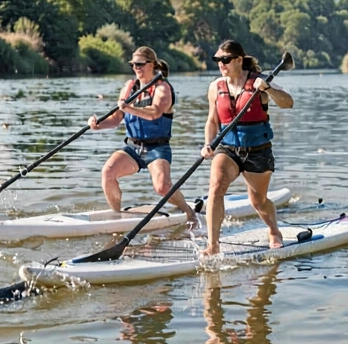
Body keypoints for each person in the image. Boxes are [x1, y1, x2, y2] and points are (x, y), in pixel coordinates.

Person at [200, 40, 293, 255]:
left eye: (225, 59)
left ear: (239, 60)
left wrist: (268, 88)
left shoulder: (259, 82)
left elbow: (288, 102)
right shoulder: (215, 87)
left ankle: (274, 232)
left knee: (258, 201)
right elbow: (212, 121)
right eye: (217, 60)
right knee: (215, 187)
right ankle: (213, 245)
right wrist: (208, 144)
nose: (221, 64)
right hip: (228, 149)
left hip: (257, 150)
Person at [89, 46, 198, 223]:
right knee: (108, 172)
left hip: (157, 148)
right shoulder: (129, 87)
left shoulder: (163, 88)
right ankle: (117, 217)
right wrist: (97, 125)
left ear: (152, 64)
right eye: (133, 64)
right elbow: (117, 118)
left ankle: (189, 212)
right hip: (133, 147)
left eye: (140, 64)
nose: (136, 68)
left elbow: (155, 112)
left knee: (162, 186)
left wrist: (129, 107)